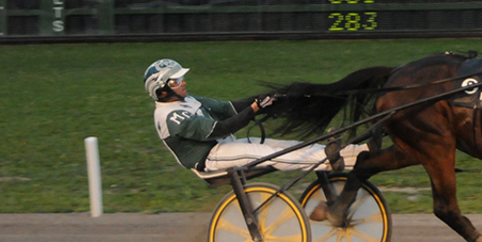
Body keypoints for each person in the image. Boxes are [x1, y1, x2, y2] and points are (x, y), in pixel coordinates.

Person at [144, 58, 366, 173]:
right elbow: (219, 129)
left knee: (288, 146)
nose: (183, 83)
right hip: (211, 158)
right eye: (176, 81)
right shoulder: (170, 117)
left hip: (226, 146)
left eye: (182, 78)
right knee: (272, 154)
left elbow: (229, 108)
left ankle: (355, 153)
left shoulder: (188, 99)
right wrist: (254, 110)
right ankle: (328, 161)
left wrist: (267, 99)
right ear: (162, 90)